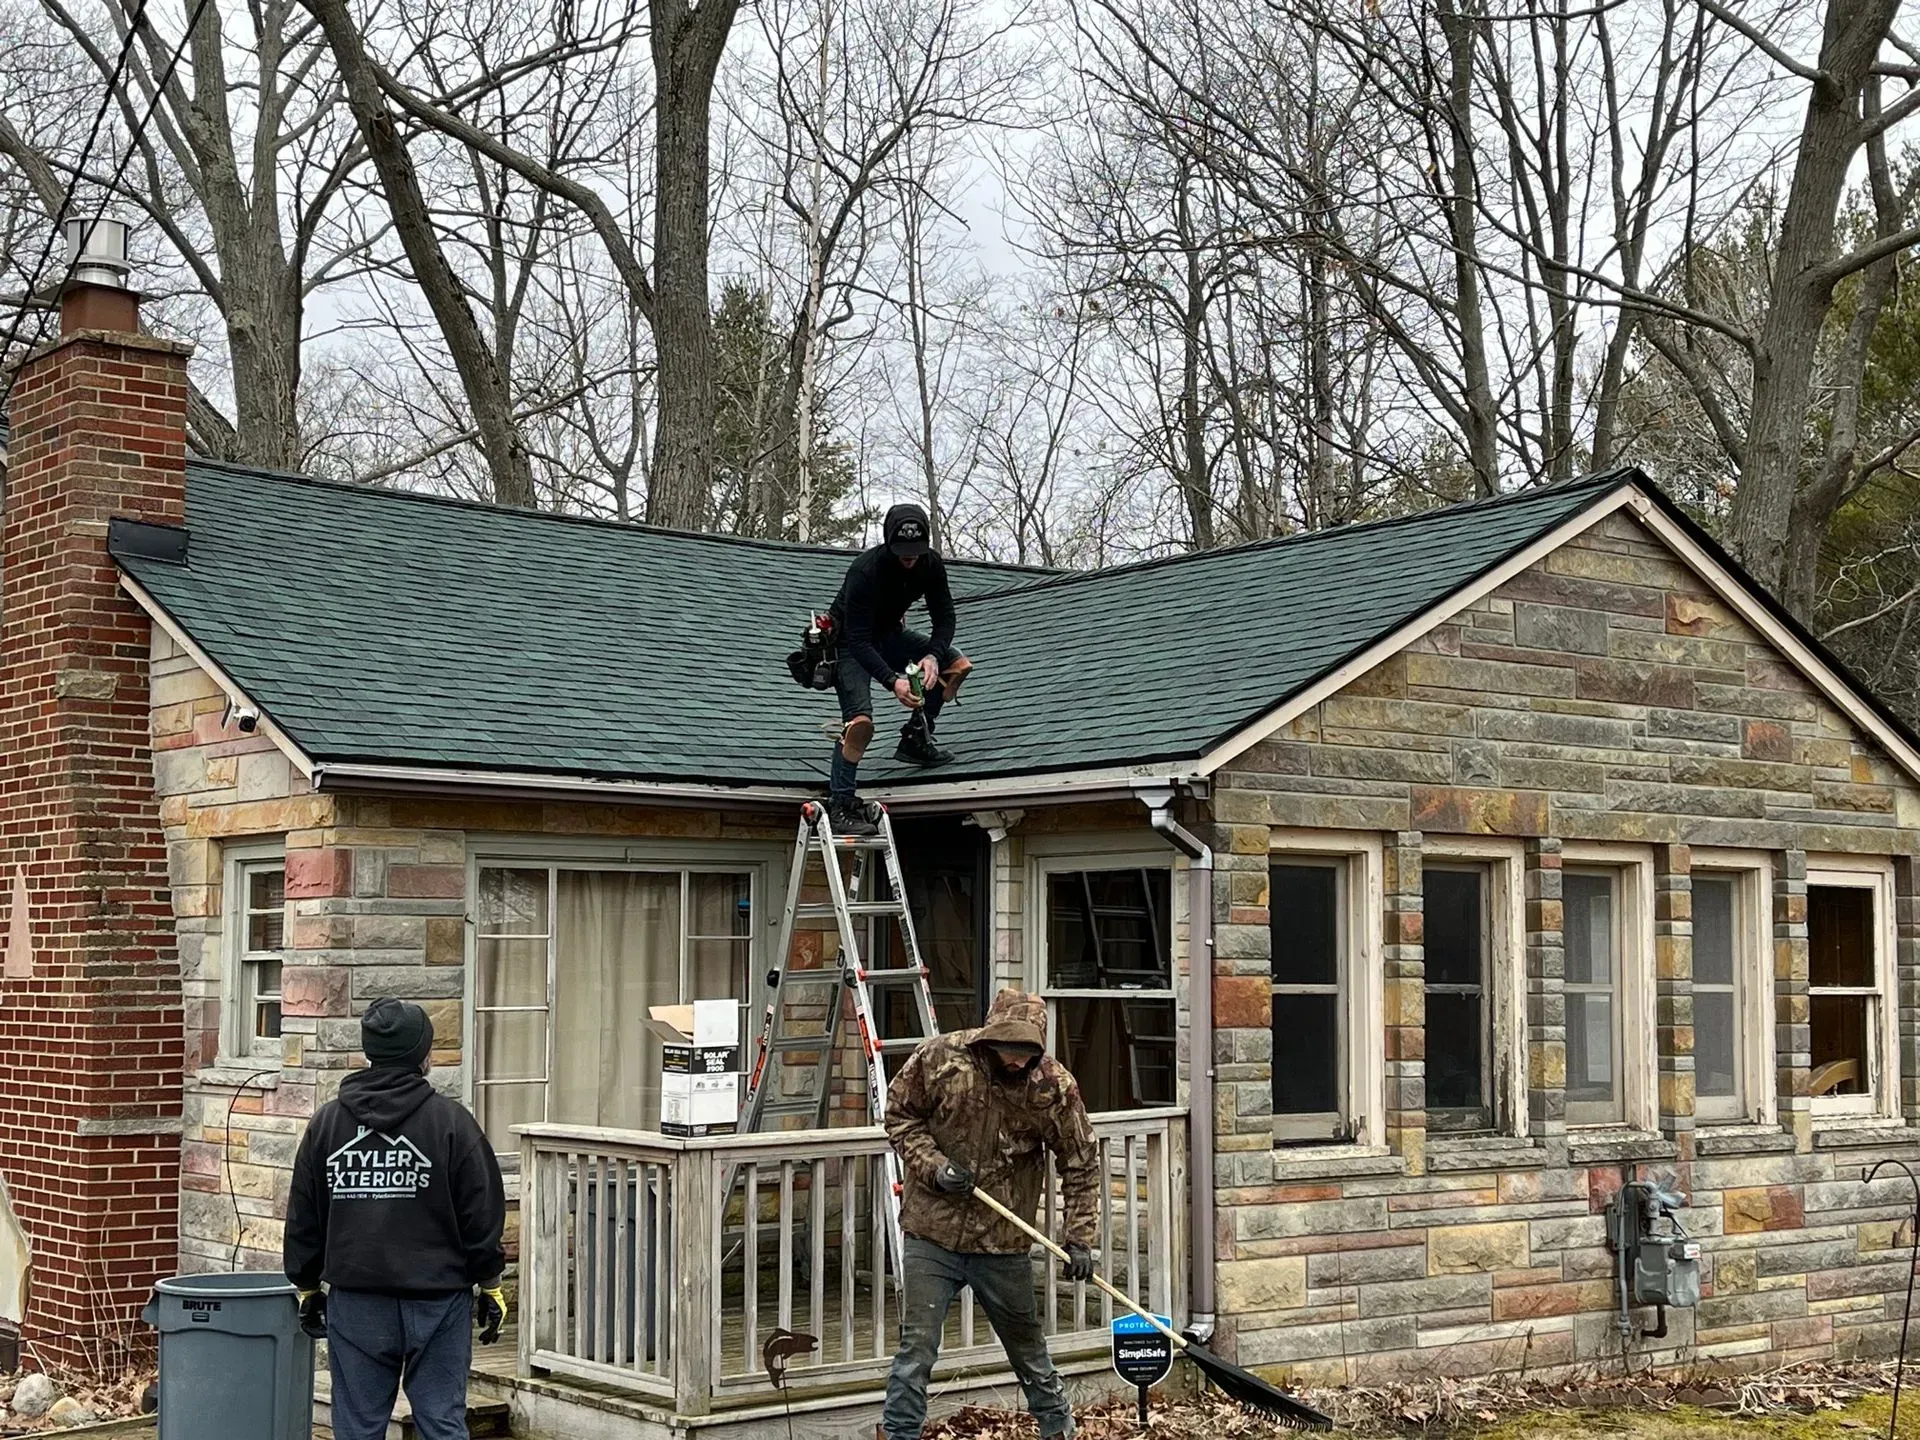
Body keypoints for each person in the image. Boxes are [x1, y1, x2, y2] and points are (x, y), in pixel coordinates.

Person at [285, 998, 507, 1440]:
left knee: (359, 1427)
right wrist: (491, 1284)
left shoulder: (327, 1124)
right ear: (423, 1056)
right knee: (442, 1423)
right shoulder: (452, 1124)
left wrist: (307, 1286)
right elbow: (481, 1212)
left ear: (369, 1054)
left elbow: (304, 1215)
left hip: (358, 1303)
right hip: (439, 1303)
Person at [880, 988, 1098, 1440]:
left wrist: (1078, 1237)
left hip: (1003, 1242)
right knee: (916, 1350)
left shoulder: (1053, 1087)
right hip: (931, 1232)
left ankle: (1058, 1431)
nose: (1015, 1061)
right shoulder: (939, 1059)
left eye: (1025, 1052)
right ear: (988, 1039)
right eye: (1007, 1049)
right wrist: (935, 1167)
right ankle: (900, 1434)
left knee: (1028, 1352)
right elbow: (900, 1116)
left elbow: (1079, 1162)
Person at [825, 501, 974, 837]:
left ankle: (916, 739)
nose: (910, 557)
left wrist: (933, 656)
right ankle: (841, 803)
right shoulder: (865, 571)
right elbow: (860, 641)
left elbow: (945, 616)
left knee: (954, 662)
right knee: (859, 723)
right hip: (849, 643)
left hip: (889, 635)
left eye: (916, 551)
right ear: (888, 544)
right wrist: (894, 682)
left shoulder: (930, 564)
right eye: (903, 551)